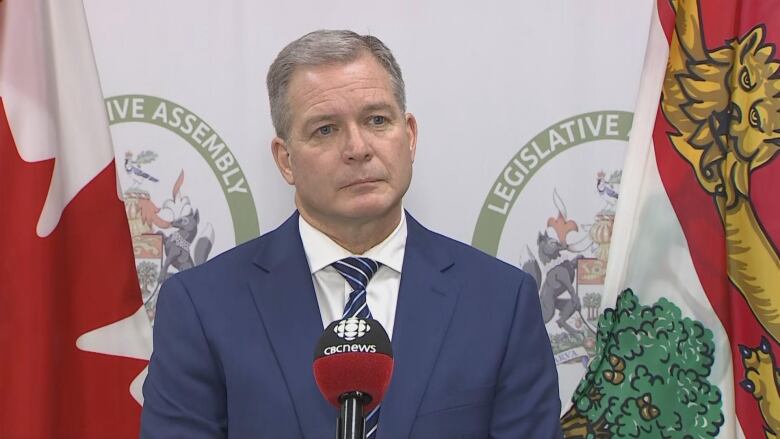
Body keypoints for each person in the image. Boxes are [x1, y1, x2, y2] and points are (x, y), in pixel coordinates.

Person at [140, 30, 563, 439]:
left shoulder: (501, 302)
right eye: (325, 129)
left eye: (377, 120)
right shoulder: (202, 307)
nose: (358, 147)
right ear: (285, 160)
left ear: (409, 136)